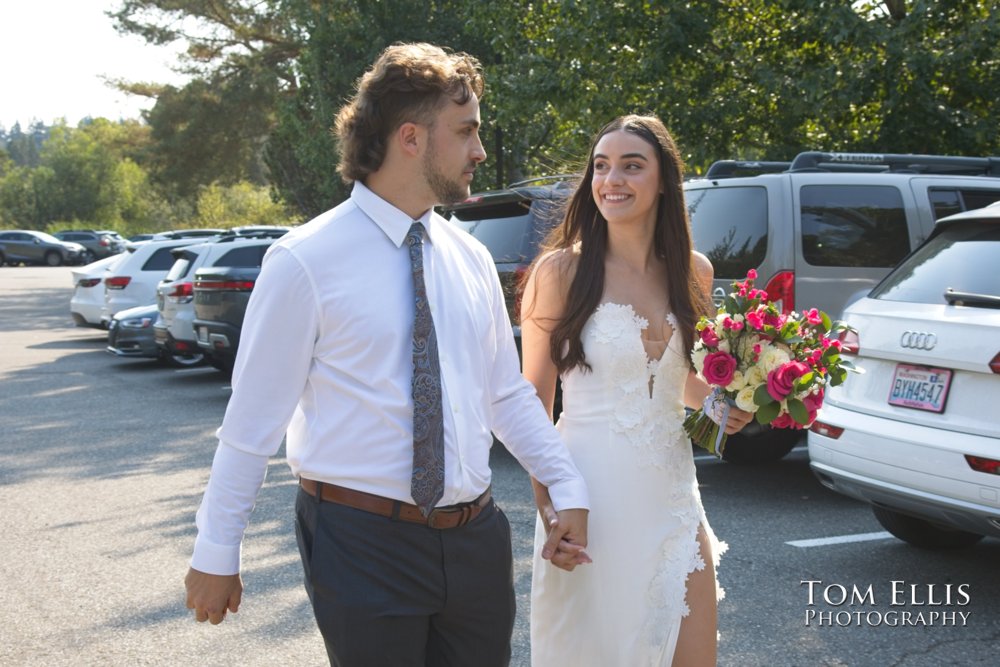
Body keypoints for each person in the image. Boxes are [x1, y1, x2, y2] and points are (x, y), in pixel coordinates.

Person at [183, 42, 590, 667]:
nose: (480, 151)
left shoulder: (471, 257)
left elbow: (504, 393)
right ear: (410, 137)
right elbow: (251, 422)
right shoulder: (303, 260)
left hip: (476, 542)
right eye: (466, 132)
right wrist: (217, 551)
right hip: (360, 543)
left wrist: (567, 485)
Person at [521, 115, 753, 666]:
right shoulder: (559, 272)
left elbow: (685, 386)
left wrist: (735, 402)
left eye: (631, 165)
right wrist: (551, 506)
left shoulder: (694, 272)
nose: (611, 179)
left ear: (664, 182)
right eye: (601, 166)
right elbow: (531, 402)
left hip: (673, 500)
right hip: (589, 500)